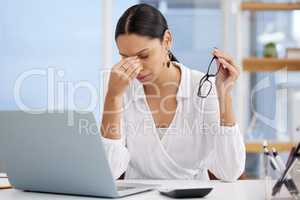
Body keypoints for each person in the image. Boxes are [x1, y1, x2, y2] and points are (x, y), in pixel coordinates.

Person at [100, 3, 245, 181]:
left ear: (167, 40)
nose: (135, 68)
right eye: (125, 58)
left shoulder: (202, 88)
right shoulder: (120, 89)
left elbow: (230, 171)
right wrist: (112, 97)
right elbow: (108, 172)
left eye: (144, 56)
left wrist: (224, 94)